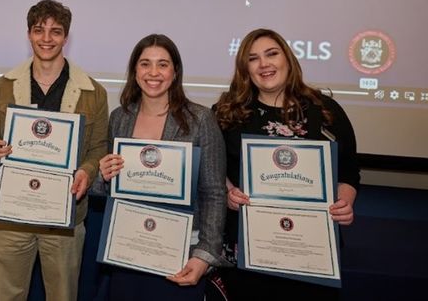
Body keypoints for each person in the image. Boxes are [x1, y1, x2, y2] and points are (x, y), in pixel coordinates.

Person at [213, 28, 360, 300]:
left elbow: (349, 170)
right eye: (253, 58)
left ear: (288, 59)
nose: (264, 64)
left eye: (271, 54)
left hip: (311, 249)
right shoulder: (227, 112)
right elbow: (213, 170)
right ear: (245, 69)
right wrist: (227, 193)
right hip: (249, 246)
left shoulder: (325, 110)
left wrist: (344, 201)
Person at [0, 0, 109, 301]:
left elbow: (98, 148)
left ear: (66, 37)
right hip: (13, 214)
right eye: (40, 30)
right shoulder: (5, 84)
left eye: (56, 31)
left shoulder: (93, 92)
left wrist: (87, 172)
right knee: (7, 295)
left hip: (65, 216)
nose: (47, 39)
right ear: (29, 34)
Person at [97, 34, 226, 300]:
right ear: (135, 70)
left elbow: (214, 192)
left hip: (181, 253)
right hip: (128, 248)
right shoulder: (119, 118)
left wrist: (204, 255)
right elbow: (108, 189)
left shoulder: (200, 119)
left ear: (175, 71)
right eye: (145, 64)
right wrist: (104, 175)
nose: (153, 72)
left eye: (163, 64)